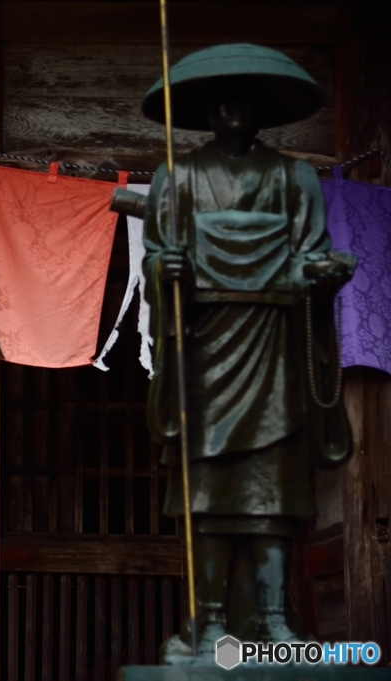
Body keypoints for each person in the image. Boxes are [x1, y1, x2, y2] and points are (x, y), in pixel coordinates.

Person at [138, 44, 355, 662]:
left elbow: (311, 253)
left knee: (274, 491)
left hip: (275, 347)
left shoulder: (295, 177)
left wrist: (323, 273)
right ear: (207, 111)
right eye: (221, 100)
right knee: (205, 492)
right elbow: (157, 256)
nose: (234, 109)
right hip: (204, 351)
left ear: (262, 112)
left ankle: (273, 619)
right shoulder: (175, 179)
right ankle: (206, 624)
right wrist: (164, 268)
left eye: (246, 101)